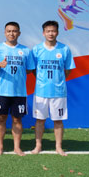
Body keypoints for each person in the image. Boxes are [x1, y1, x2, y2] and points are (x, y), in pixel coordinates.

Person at [0, 22, 34, 156]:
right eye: (9, 31)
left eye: (14, 31)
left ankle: (17, 147)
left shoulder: (25, 50)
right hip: (2, 91)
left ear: (19, 33)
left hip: (19, 92)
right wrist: (0, 64)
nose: (11, 33)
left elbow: (29, 69)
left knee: (17, 119)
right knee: (1, 118)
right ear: (5, 33)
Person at [31, 20, 75, 156]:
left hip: (58, 92)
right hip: (41, 91)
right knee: (40, 120)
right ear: (43, 33)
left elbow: (68, 70)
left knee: (58, 120)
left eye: (53, 31)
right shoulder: (37, 49)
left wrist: (58, 80)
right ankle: (38, 145)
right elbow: (33, 69)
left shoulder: (64, 49)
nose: (51, 33)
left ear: (57, 32)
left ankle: (58, 147)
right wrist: (42, 80)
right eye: (48, 31)